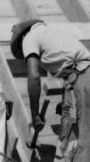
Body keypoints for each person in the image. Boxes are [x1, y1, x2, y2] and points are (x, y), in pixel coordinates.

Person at [11, 19, 90, 162]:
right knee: (69, 136)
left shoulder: (29, 38)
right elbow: (69, 67)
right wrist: (67, 101)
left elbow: (34, 77)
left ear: (21, 38)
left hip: (84, 76)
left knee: (83, 141)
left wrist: (35, 114)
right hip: (79, 76)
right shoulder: (50, 32)